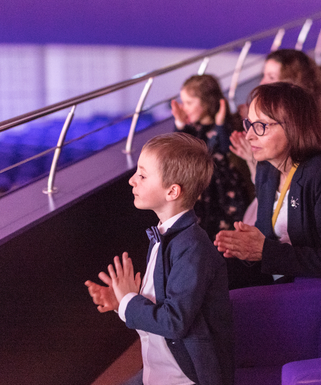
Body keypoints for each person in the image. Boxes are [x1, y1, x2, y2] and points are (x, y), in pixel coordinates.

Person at [85, 132, 233, 385]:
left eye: (142, 176)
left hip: (185, 378)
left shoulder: (193, 248)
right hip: (159, 371)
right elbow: (163, 303)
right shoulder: (167, 237)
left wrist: (129, 301)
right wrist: (121, 301)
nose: (132, 180)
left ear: (172, 191)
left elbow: (174, 321)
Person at [215, 83, 321, 289]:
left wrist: (264, 251)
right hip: (274, 276)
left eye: (261, 126)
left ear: (293, 127)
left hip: (309, 287)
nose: (249, 135)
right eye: (249, 124)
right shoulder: (266, 168)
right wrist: (247, 245)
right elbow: (268, 236)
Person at [232, 50, 321, 180]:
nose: (262, 83)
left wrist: (254, 158)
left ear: (292, 84)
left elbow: (289, 184)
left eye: (271, 77)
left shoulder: (308, 121)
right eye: (264, 76)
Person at [171, 75, 249, 240]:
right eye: (183, 102)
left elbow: (226, 148)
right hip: (203, 190)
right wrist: (179, 124)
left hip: (223, 190)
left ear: (207, 102)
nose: (184, 108)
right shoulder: (192, 128)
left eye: (189, 103)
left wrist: (220, 124)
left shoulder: (225, 125)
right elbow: (180, 148)